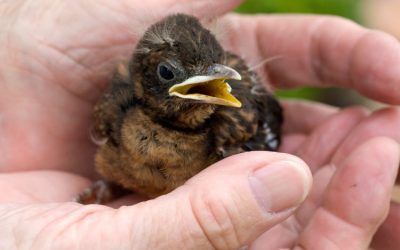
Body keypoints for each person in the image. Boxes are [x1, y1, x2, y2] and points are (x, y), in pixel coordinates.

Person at [0, 0, 399, 249]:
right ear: (142, 79)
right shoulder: (118, 108)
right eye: (168, 72)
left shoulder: (229, 120)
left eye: (212, 71)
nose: (215, 81)